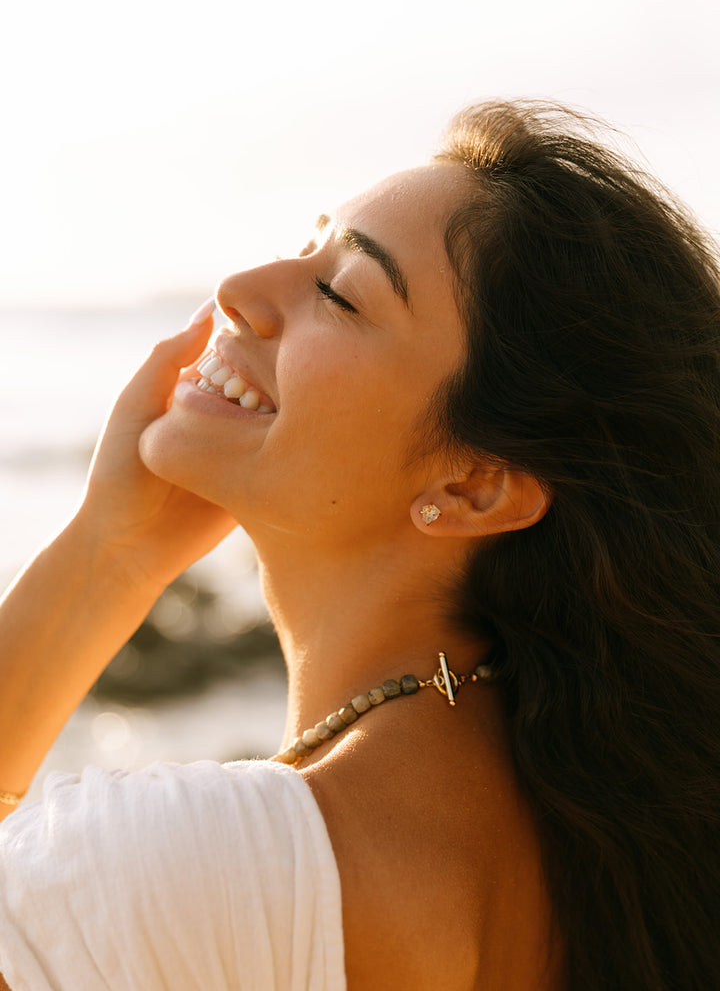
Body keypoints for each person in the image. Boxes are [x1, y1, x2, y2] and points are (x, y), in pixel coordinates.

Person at [0, 100, 718, 991]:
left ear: (472, 487)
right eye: (308, 248)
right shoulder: (600, 855)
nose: (243, 287)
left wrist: (103, 560)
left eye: (339, 293)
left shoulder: (201, 872)